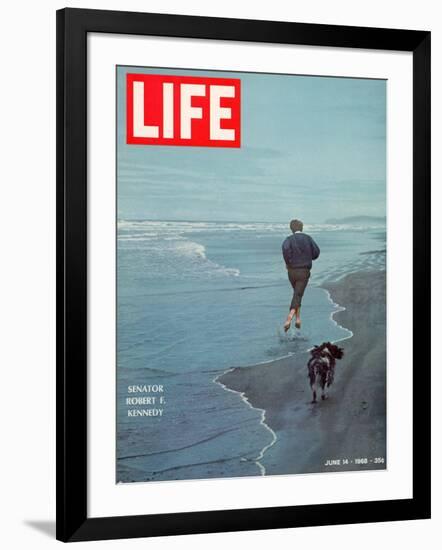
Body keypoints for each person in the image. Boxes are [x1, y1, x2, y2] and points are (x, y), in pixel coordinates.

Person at [282, 219, 320, 331]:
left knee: (297, 294)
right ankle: (290, 317)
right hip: (304, 271)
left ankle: (298, 319)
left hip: (291, 271)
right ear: (302, 228)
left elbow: (285, 250)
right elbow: (316, 252)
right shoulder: (308, 238)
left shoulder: (288, 239)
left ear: (291, 229)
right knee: (298, 295)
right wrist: (309, 257)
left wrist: (288, 262)